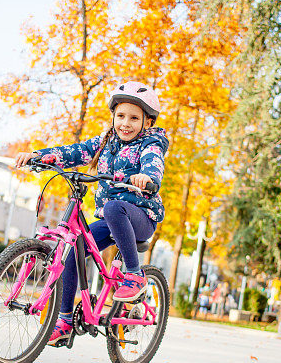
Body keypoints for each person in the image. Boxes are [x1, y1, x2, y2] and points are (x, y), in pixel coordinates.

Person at [15, 81, 168, 346]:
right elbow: (74, 152)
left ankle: (134, 274)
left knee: (112, 207)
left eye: (134, 118)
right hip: (113, 220)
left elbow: (154, 163)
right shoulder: (106, 141)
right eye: (120, 116)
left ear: (148, 122)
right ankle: (63, 321)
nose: (125, 123)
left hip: (141, 217)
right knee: (74, 250)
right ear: (113, 116)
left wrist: (147, 177)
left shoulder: (151, 143)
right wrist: (38, 156)